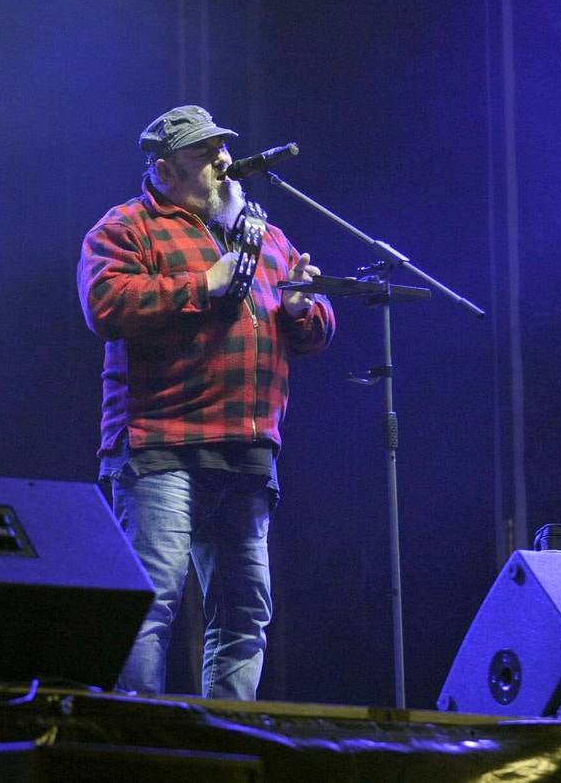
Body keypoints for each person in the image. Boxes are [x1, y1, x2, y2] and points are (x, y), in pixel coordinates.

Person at [77, 105, 335, 699]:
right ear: (166, 171)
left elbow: (317, 332)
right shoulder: (127, 227)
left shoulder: (265, 236)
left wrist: (305, 312)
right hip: (163, 446)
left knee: (245, 616)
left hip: (246, 454)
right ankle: (141, 748)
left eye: (223, 149)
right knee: (151, 606)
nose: (224, 162)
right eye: (204, 155)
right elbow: (105, 305)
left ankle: (228, 743)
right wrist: (203, 284)